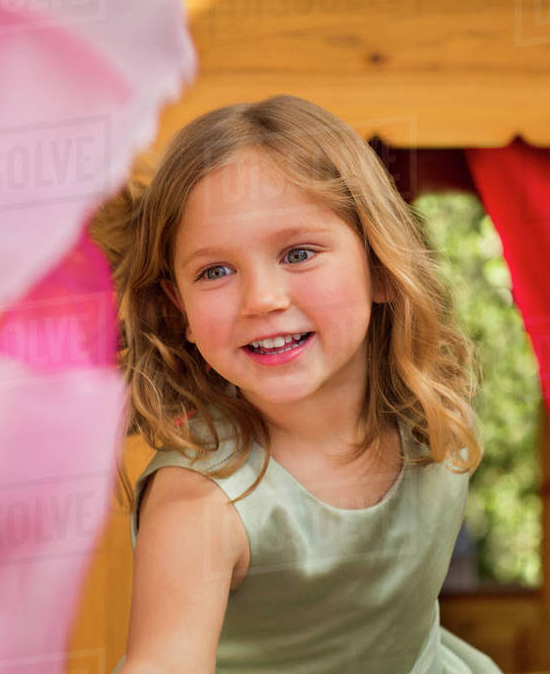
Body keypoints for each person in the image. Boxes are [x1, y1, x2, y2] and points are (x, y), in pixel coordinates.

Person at [96, 94, 504, 673]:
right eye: (215, 271)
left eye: (299, 253)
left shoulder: (435, 417)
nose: (263, 299)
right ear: (178, 307)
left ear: (380, 268)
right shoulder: (204, 506)